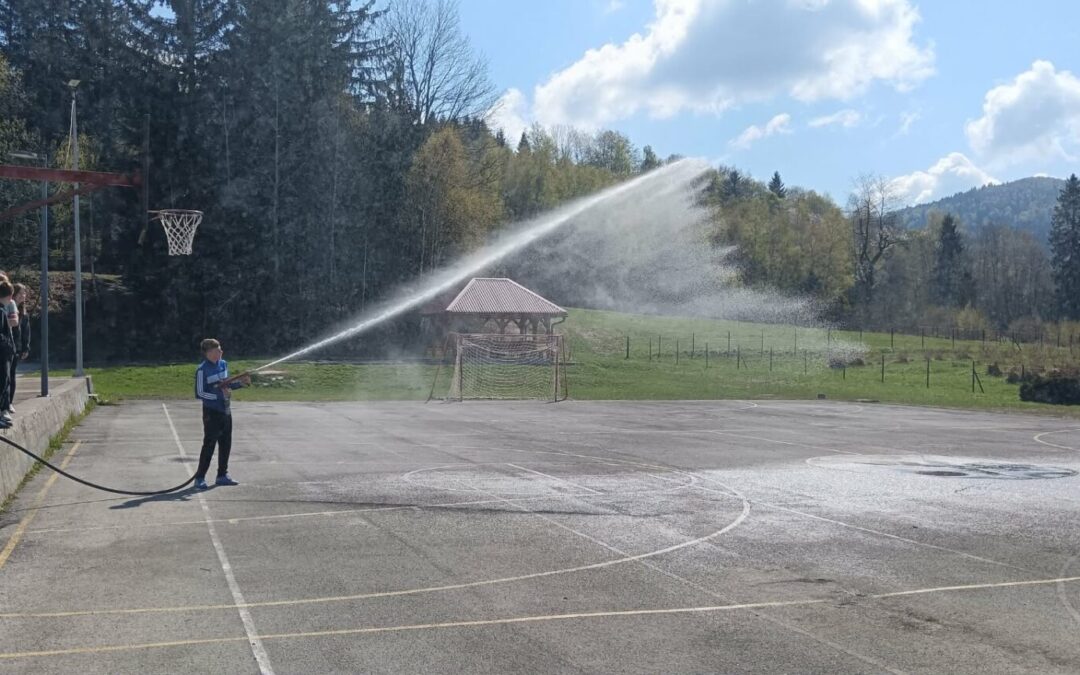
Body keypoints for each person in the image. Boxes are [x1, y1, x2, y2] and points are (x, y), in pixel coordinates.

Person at [193, 338, 250, 490]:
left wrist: (241, 383)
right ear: (209, 352)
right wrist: (218, 395)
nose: (221, 352)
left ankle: (222, 475)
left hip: (226, 410)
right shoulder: (202, 370)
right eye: (218, 350)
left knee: (226, 443)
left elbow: (227, 385)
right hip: (211, 412)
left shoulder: (223, 364)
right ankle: (200, 477)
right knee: (209, 444)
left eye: (220, 349)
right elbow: (199, 393)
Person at [8, 283, 29, 413]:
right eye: (21, 293)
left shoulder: (23, 311)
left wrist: (25, 347)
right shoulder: (8, 307)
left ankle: (9, 402)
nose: (23, 295)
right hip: (8, 345)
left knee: (12, 375)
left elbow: (26, 331)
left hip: (17, 347)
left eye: (24, 293)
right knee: (6, 376)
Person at [0, 280, 16, 429]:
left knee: (4, 382)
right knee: (3, 382)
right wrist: (8, 346)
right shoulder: (0, 312)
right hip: (2, 354)